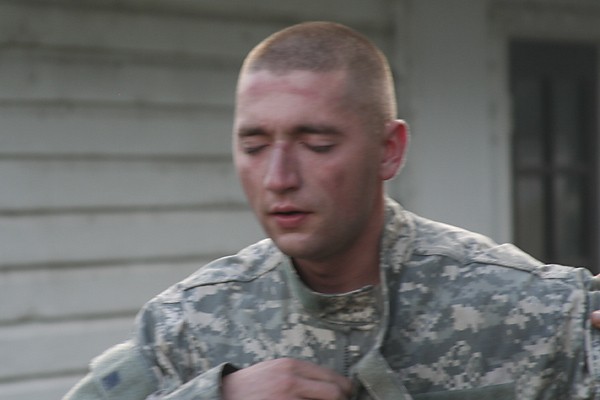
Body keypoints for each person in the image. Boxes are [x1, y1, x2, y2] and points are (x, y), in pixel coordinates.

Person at [63, 21, 600, 400]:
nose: (278, 177)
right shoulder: (187, 327)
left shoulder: (525, 309)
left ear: (388, 150)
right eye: (254, 146)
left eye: (316, 144)